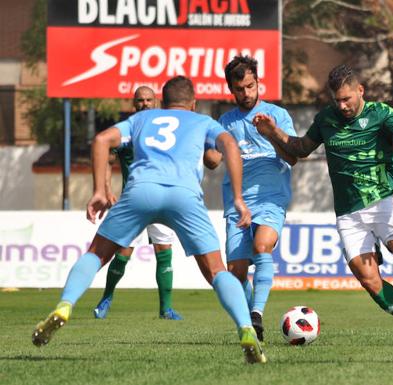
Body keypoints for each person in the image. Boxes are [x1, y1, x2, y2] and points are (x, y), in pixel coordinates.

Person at [32, 76, 267, 364]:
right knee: (217, 271)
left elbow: (102, 140)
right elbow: (229, 145)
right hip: (184, 196)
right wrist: (239, 198)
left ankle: (65, 305)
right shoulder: (201, 121)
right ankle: (245, 328)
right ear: (192, 104)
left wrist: (98, 191)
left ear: (162, 101)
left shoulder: (143, 118)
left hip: (140, 191)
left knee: (96, 254)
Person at [255, 64, 393, 345]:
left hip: (382, 201)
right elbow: (301, 149)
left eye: (347, 99)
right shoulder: (326, 119)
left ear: (360, 91)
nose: (342, 105)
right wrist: (273, 132)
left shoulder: (380, 113)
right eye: (337, 100)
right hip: (348, 214)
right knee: (369, 280)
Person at [204, 56, 297, 341]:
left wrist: (271, 134)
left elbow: (293, 156)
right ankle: (252, 326)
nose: (246, 93)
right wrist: (207, 147)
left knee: (262, 245)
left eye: (250, 86)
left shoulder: (277, 115)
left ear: (258, 83)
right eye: (240, 89)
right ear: (231, 90)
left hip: (271, 197)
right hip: (237, 202)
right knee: (236, 272)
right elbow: (211, 162)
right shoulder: (225, 122)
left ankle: (256, 313)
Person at [93, 86, 182, 321]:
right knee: (123, 252)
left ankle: (166, 309)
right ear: (134, 104)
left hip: (162, 199)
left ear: (157, 102)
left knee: (164, 252)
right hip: (133, 202)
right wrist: (107, 189)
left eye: (149, 99)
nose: (144, 103)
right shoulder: (128, 132)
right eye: (140, 100)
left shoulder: (166, 132)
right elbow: (107, 158)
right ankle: (106, 299)